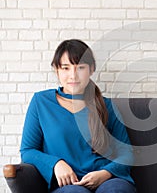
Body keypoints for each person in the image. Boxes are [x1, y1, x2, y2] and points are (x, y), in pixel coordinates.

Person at [20, 39, 136, 193]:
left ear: (91, 69)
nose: (73, 76)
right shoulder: (41, 102)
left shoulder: (107, 106)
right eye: (66, 68)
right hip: (67, 186)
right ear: (56, 70)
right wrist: (56, 163)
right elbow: (27, 151)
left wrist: (105, 173)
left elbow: (126, 153)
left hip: (107, 180)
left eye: (80, 68)